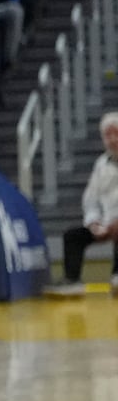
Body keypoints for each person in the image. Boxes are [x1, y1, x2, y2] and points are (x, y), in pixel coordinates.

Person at [54, 112, 118, 294]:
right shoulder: (100, 165)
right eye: (108, 135)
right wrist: (94, 222)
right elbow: (90, 199)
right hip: (105, 223)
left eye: (116, 134)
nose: (112, 139)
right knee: (72, 236)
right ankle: (72, 279)